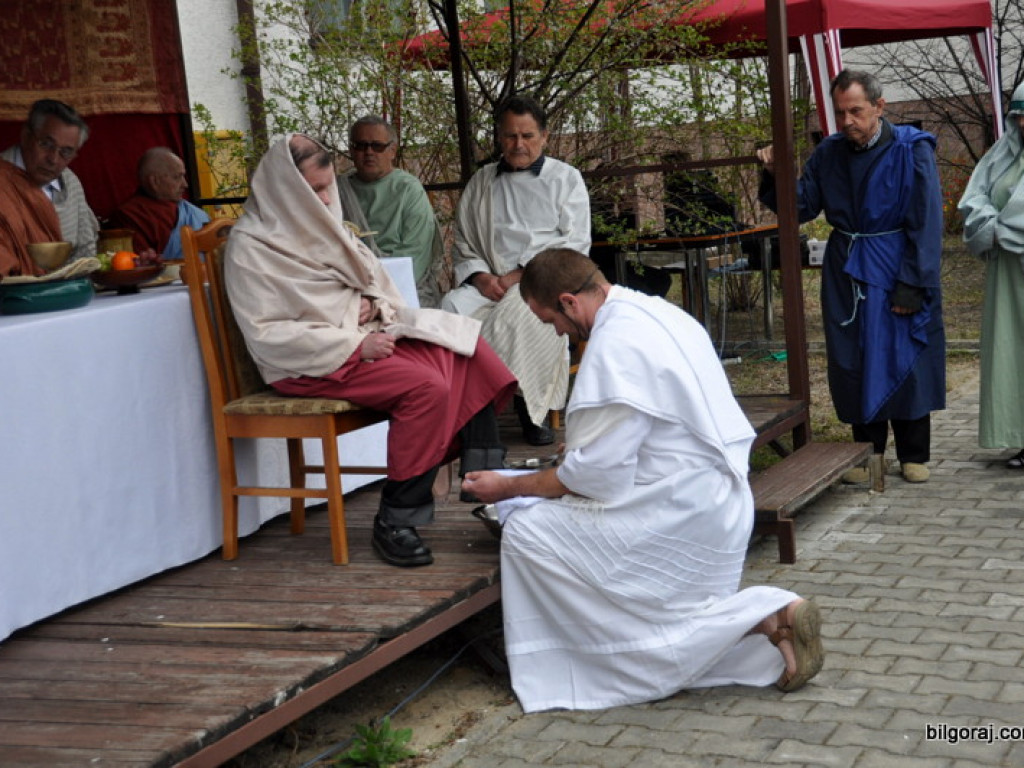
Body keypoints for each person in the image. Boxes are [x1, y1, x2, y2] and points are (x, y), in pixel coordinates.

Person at [461, 248, 824, 712]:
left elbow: (594, 478)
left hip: (681, 513)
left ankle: (761, 612)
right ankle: (773, 628)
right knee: (637, 590)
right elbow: (652, 424)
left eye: (548, 318)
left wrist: (507, 487)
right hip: (721, 500)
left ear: (570, 302)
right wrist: (581, 451)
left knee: (529, 533)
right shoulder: (657, 312)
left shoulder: (614, 345)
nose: (553, 332)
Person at [224, 134, 517, 568]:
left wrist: (370, 304)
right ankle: (396, 518)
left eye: (328, 188)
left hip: (358, 343)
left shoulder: (324, 227)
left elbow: (378, 284)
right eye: (315, 190)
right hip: (311, 360)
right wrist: (355, 343)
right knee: (426, 388)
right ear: (287, 190)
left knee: (466, 348)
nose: (327, 199)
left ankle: (487, 487)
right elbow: (269, 334)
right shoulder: (251, 247)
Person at [757, 69, 945, 484]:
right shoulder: (829, 153)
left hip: (897, 263)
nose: (847, 122)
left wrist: (913, 283)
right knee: (855, 357)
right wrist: (776, 172)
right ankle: (868, 454)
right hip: (847, 270)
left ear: (879, 106)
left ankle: (914, 454)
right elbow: (802, 207)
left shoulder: (912, 150)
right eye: (840, 113)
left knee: (904, 355)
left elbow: (927, 220)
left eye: (855, 111)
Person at [441, 95, 591, 446]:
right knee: (450, 310)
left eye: (527, 136)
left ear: (545, 136)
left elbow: (575, 242)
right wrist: (481, 277)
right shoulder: (482, 181)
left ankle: (528, 411)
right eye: (510, 136)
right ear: (499, 137)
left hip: (542, 283)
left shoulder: (565, 179)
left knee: (517, 315)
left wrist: (517, 278)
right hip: (489, 280)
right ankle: (466, 412)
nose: (518, 144)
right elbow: (464, 237)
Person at [958, 82, 1024, 468]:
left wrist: (1006, 223)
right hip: (1007, 275)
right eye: (1019, 116)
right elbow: (974, 197)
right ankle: (1020, 435)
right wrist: (994, 226)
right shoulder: (1002, 155)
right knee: (1011, 354)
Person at [336, 116, 443, 308]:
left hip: (399, 288)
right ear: (351, 150)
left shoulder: (409, 190)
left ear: (392, 150)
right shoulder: (337, 191)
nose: (368, 152)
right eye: (361, 146)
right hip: (347, 287)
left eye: (377, 146)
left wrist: (373, 294)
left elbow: (414, 258)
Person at [1, 99, 98, 264]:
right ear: (25, 136)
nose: (53, 159)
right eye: (46, 144)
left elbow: (86, 252)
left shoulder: (70, 181)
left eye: (66, 152)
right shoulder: (3, 179)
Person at [107, 147, 210, 260]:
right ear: (154, 182)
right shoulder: (129, 215)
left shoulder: (190, 211)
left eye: (183, 176)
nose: (185, 184)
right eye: (177, 177)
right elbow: (140, 265)